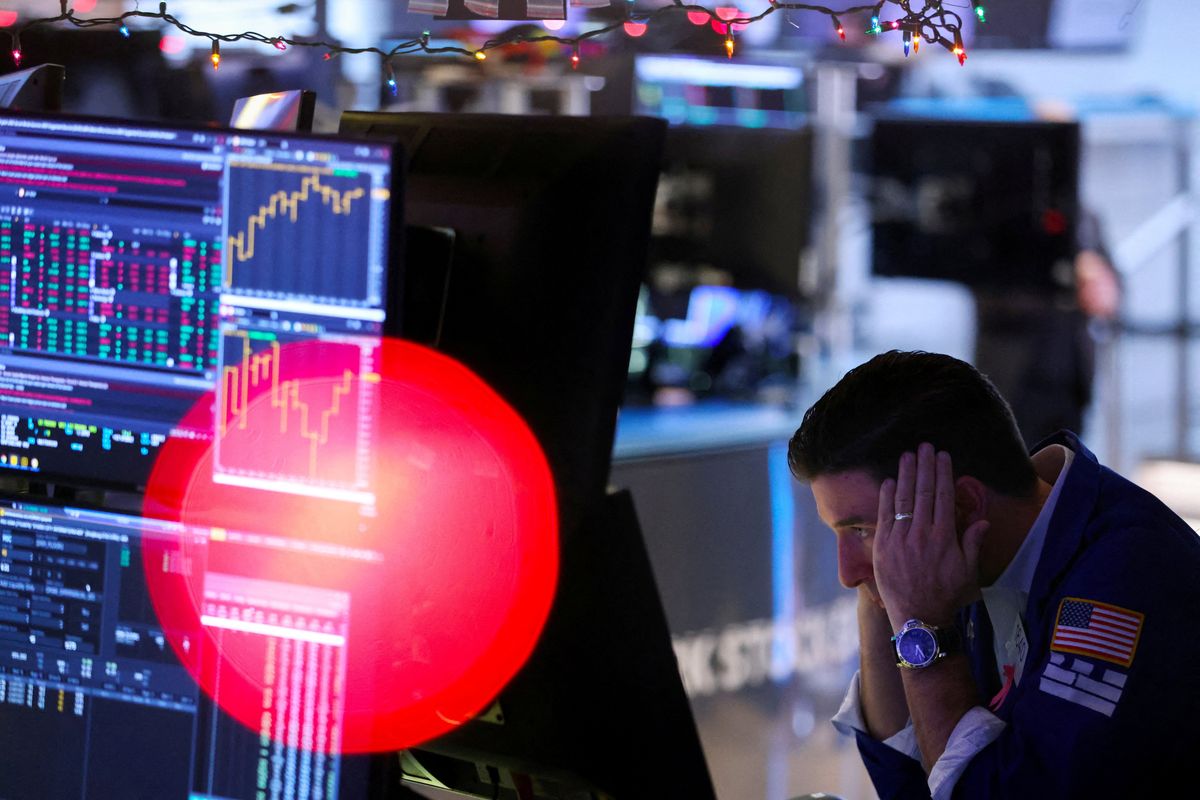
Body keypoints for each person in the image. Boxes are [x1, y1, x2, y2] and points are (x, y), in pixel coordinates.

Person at [787, 350, 1200, 798]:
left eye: (863, 530)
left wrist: (922, 626)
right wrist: (882, 598)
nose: (845, 573)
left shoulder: (1121, 578)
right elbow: (909, 786)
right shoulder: (983, 556)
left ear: (961, 506)